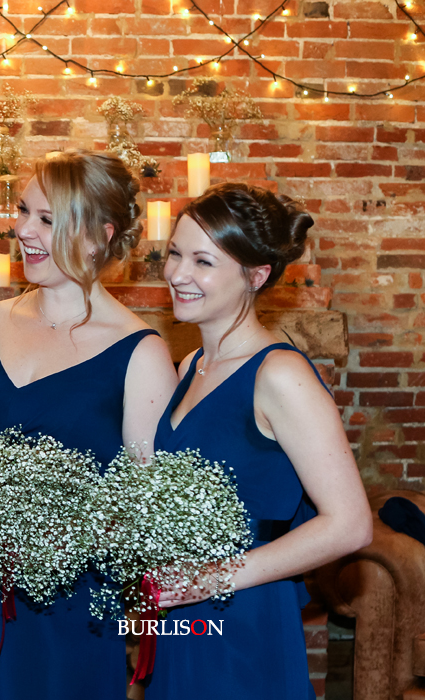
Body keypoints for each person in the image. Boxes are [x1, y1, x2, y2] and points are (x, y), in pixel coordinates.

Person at [0, 151, 179, 699]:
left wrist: (60, 538)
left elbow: (142, 516)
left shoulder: (140, 354)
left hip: (65, 607)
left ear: (98, 236)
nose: (22, 230)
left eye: (47, 219)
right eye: (23, 212)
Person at [151, 182, 372, 698]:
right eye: (175, 254)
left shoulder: (279, 374)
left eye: (203, 262)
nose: (178, 274)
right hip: (185, 616)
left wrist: (211, 578)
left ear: (256, 275)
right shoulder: (191, 366)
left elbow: (351, 524)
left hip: (245, 614)